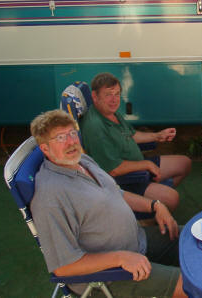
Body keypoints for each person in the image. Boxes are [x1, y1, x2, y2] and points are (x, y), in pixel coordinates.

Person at [30, 110, 187, 297]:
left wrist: (154, 205)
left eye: (72, 133)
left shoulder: (82, 161)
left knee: (197, 239)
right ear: (45, 149)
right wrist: (120, 258)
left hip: (137, 242)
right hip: (110, 275)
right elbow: (64, 267)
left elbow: (115, 192)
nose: (71, 142)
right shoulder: (50, 197)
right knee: (194, 285)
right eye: (60, 138)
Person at [80, 72, 191, 211]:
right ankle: (147, 211)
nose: (114, 100)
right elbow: (113, 170)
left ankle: (154, 200)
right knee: (173, 198)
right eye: (108, 94)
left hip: (137, 164)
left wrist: (157, 136)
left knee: (184, 163)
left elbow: (131, 135)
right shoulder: (95, 127)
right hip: (126, 179)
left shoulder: (110, 113)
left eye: (117, 94)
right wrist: (147, 165)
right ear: (95, 96)